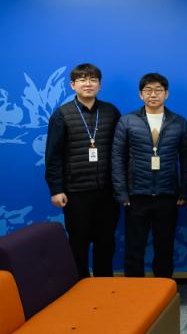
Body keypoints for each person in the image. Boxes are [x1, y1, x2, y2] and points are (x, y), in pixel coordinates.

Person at [45, 63, 121, 278]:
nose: (88, 84)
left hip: (107, 191)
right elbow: (53, 155)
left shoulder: (111, 112)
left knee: (106, 242)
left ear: (99, 85)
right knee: (78, 242)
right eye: (82, 80)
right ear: (73, 85)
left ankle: (105, 284)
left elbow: (121, 151)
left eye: (93, 80)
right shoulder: (62, 114)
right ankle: (80, 284)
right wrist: (56, 189)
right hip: (76, 192)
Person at [112, 73, 187, 278]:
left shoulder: (179, 122)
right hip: (136, 195)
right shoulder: (127, 121)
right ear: (140, 94)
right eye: (148, 90)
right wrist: (122, 193)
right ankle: (134, 291)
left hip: (168, 195)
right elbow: (117, 158)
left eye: (158, 90)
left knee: (165, 247)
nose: (153, 94)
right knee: (134, 247)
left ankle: (163, 290)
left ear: (166, 94)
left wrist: (184, 191)